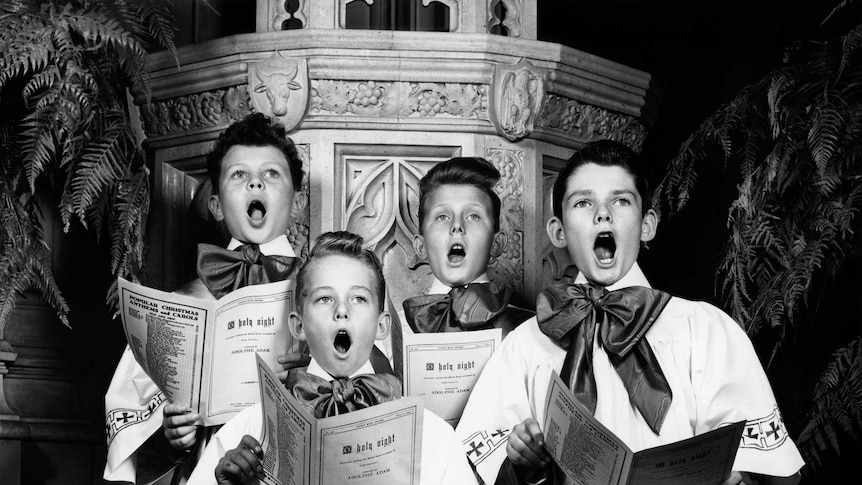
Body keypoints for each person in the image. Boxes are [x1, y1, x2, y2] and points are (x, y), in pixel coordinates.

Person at [454, 140, 804, 485]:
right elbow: (467, 472)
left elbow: (773, 468)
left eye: (620, 201)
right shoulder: (524, 346)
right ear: (558, 231)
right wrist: (523, 466)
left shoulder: (706, 331)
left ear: (647, 224)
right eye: (583, 202)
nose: (602, 213)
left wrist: (741, 478)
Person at [104, 113, 310, 484]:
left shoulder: (326, 295)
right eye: (239, 175)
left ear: (297, 203)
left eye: (271, 174)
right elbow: (127, 425)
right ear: (215, 205)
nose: (255, 184)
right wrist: (172, 437)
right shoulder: (179, 305)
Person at [186, 231, 477, 485]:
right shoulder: (249, 428)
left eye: (359, 298)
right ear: (298, 326)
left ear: (382, 325)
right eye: (324, 298)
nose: (341, 310)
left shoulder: (431, 437)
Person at [400, 157, 532, 338]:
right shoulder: (389, 336)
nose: (457, 226)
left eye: (473, 216)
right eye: (442, 217)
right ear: (420, 246)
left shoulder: (528, 332)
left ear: (496, 244)